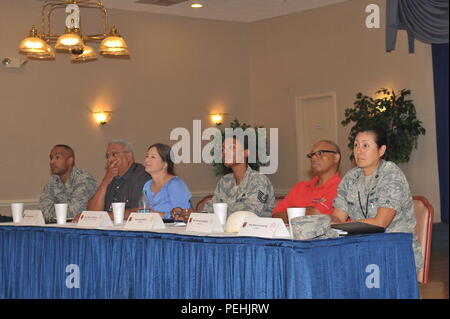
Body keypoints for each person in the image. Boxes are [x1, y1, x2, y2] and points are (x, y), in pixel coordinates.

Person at [330, 127, 423, 271]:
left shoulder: (391, 174)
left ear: (381, 150)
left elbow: (380, 223)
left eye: (365, 145)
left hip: (395, 252)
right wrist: (325, 224)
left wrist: (347, 226)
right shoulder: (350, 178)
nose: (359, 151)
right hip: (361, 249)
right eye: (356, 145)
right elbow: (338, 217)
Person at [172, 134, 275, 222]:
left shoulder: (259, 180)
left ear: (246, 152)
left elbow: (249, 215)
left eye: (231, 147)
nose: (225, 152)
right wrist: (189, 214)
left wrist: (215, 217)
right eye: (223, 149)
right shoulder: (225, 181)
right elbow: (209, 210)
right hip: (226, 235)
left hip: (254, 238)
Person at [79, 140, 151, 221]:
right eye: (107, 156)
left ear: (129, 156)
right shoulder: (110, 177)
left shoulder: (142, 176)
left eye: (114, 154)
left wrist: (105, 216)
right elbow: (92, 212)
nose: (110, 159)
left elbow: (140, 211)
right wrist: (105, 180)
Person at [272, 140, 341, 224]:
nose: (314, 158)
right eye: (312, 154)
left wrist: (292, 211)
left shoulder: (342, 188)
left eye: (320, 153)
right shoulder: (299, 187)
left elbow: (317, 216)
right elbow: (275, 215)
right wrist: (305, 212)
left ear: (336, 158)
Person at [39, 144, 97, 222]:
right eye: (51, 158)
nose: (52, 162)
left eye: (57, 157)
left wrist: (51, 215)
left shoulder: (84, 179)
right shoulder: (53, 180)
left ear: (70, 161)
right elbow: (42, 210)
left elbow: (74, 212)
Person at [141, 143, 192, 219]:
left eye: (153, 157)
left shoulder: (175, 184)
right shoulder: (147, 185)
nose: (147, 160)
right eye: (147, 156)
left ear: (165, 164)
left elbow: (183, 216)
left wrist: (157, 214)